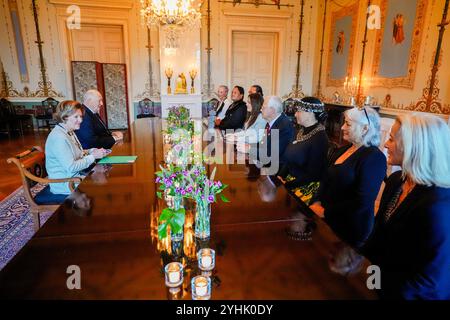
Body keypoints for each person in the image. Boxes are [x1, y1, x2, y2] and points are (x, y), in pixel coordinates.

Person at [362, 114, 450, 299]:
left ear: (415, 147)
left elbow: (429, 283)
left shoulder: (438, 206)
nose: (385, 144)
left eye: (392, 139)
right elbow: (378, 238)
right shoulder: (396, 181)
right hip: (379, 283)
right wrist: (358, 265)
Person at [309, 107, 387, 249]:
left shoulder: (374, 157)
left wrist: (325, 212)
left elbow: (362, 202)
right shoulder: (344, 149)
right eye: (344, 123)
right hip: (327, 219)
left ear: (365, 129)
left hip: (349, 227)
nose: (343, 127)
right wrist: (316, 201)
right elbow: (325, 179)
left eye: (349, 124)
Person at [45, 101, 109, 196]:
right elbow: (71, 167)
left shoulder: (69, 131)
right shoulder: (59, 138)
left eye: (81, 117)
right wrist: (93, 156)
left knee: (104, 179)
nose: (80, 120)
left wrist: (91, 151)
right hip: (65, 183)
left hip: (75, 177)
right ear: (64, 117)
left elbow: (76, 153)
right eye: (76, 117)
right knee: (103, 187)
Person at [277, 97, 329, 201]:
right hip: (290, 181)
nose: (295, 114)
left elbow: (313, 175)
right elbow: (288, 160)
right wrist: (280, 177)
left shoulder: (320, 138)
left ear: (310, 113)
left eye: (299, 111)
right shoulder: (299, 131)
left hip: (305, 187)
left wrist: (287, 184)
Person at [255, 96, 294, 173]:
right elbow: (263, 144)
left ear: (272, 110)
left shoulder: (284, 126)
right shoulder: (271, 122)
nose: (260, 109)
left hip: (277, 170)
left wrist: (250, 150)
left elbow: (272, 154)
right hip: (265, 165)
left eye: (263, 107)